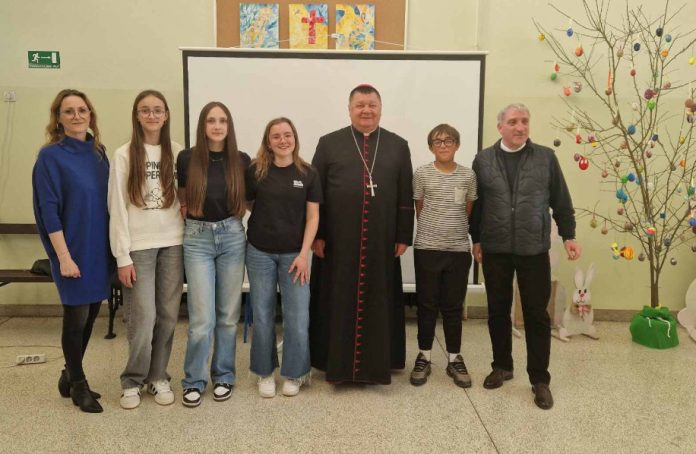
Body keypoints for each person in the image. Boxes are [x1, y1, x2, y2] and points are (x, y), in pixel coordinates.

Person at [470, 103, 581, 410]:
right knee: (497, 310)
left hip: (533, 249)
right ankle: (502, 366)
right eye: (513, 122)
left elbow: (561, 200)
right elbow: (477, 205)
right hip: (495, 247)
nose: (520, 127)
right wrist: (476, 238)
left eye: (524, 121)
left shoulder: (545, 158)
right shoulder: (483, 160)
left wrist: (569, 235)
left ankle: (539, 379)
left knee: (536, 314)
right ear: (500, 127)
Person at [309, 84, 414, 384]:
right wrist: (318, 234)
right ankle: (334, 363)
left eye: (372, 105)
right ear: (349, 109)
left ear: (380, 108)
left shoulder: (398, 145)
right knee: (337, 298)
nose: (366, 110)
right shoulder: (329, 143)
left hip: (381, 240)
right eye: (360, 105)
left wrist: (403, 235)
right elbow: (316, 194)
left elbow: (405, 195)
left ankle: (378, 365)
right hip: (337, 241)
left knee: (379, 299)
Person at [32, 89, 111, 413]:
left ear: (90, 115)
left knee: (91, 313)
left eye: (82, 110)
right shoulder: (50, 157)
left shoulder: (98, 153)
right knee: (76, 316)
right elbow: (48, 210)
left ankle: (69, 375)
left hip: (98, 248)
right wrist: (63, 257)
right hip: (71, 249)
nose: (77, 116)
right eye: (69, 111)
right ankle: (78, 384)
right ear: (58, 118)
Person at [108, 90, 184, 409]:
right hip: (139, 248)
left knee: (167, 316)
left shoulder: (178, 153)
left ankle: (158, 376)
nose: (152, 115)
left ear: (166, 115)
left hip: (173, 244)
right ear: (137, 116)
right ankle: (132, 380)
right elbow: (117, 207)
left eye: (157, 110)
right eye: (145, 110)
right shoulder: (124, 154)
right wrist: (122, 256)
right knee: (143, 318)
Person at [177, 102, 250, 407]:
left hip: (232, 236)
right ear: (203, 126)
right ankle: (194, 380)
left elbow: (247, 200)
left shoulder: (241, 160)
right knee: (201, 318)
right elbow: (183, 196)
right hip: (198, 239)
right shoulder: (187, 158)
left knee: (228, 316)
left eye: (222, 120)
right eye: (211, 120)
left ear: (229, 126)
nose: (217, 126)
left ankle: (224, 376)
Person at [245, 117, 321, 398]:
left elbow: (313, 217)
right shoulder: (255, 171)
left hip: (295, 256)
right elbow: (249, 203)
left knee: (297, 317)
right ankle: (264, 372)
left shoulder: (308, 173)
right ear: (268, 141)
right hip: (259, 252)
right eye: (276, 136)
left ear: (295, 138)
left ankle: (295, 373)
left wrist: (303, 254)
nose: (282, 140)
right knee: (263, 315)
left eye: (287, 135)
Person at [410, 124, 477, 388]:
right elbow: (419, 208)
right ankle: (424, 356)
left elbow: (468, 209)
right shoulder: (421, 174)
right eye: (437, 142)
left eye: (449, 141)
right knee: (426, 305)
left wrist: (452, 233)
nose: (443, 145)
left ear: (457, 145)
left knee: (453, 307)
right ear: (430, 147)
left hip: (458, 251)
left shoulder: (468, 175)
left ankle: (454, 358)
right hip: (427, 249)